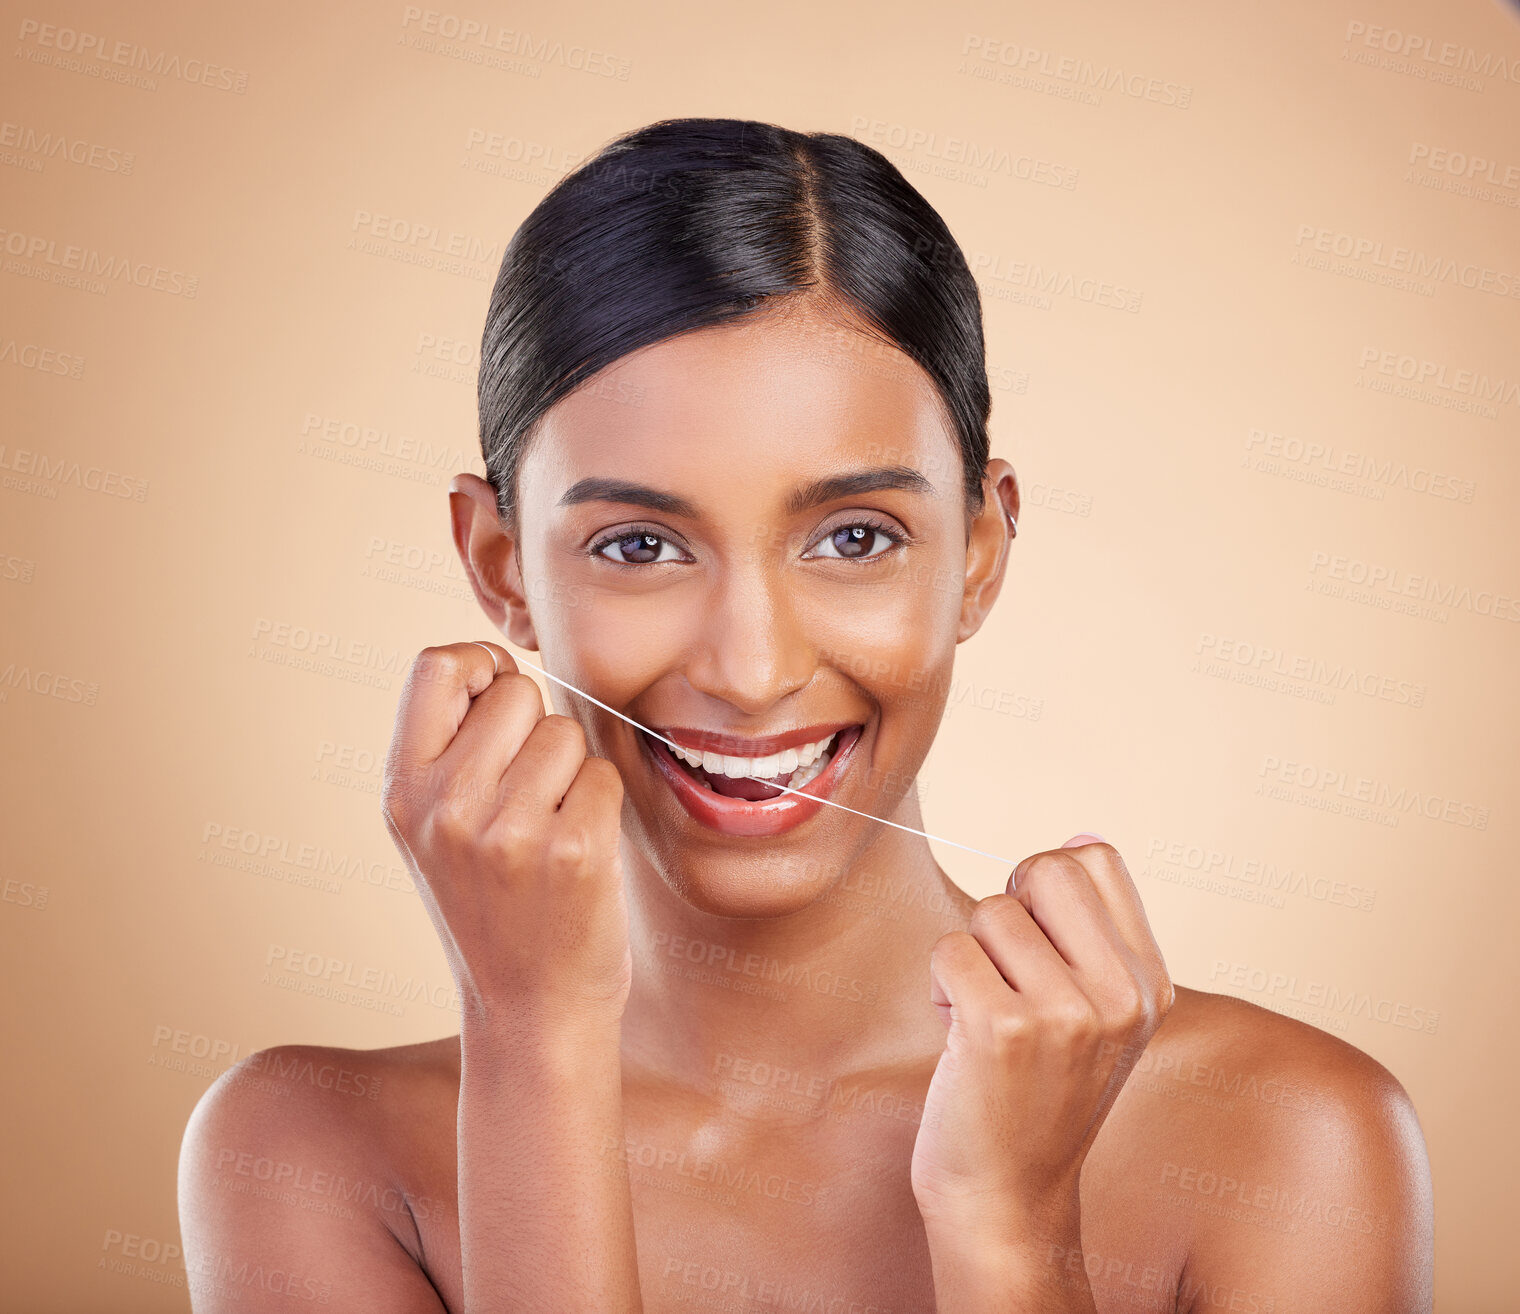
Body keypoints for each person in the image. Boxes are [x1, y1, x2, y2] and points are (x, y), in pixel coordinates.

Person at [178, 117, 1433, 1313]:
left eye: (850, 537)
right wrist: (530, 1038)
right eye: (636, 543)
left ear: (981, 552)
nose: (751, 667)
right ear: (499, 566)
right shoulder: (309, 1156)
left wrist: (1009, 1228)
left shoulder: (1287, 1140)